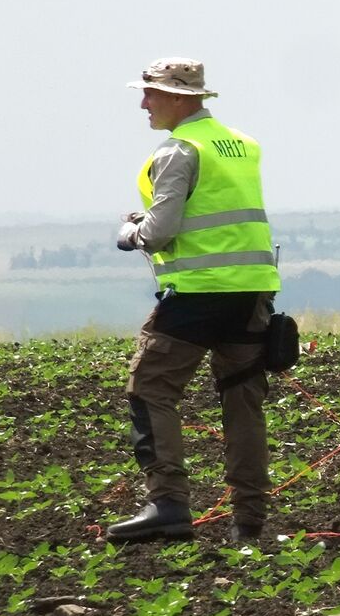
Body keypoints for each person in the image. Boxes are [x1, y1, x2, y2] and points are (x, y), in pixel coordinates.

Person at [108, 58, 280, 543]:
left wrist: (131, 232)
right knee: (242, 398)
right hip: (252, 292)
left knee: (149, 387)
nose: (144, 103)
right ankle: (250, 521)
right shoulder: (242, 145)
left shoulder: (178, 151)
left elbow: (160, 233)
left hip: (198, 295)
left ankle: (167, 505)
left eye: (151, 93)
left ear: (180, 97)